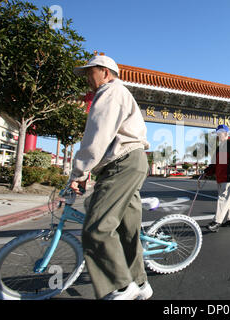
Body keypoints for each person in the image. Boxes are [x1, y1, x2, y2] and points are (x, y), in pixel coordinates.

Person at [69, 54, 152, 300]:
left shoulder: (109, 92)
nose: (87, 78)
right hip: (133, 161)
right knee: (127, 230)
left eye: (89, 72)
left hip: (122, 163)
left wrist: (79, 172)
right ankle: (139, 283)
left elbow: (96, 136)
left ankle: (120, 287)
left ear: (105, 72)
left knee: (97, 227)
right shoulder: (119, 93)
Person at [203, 124, 230, 232]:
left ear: (226, 134)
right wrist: (206, 172)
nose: (217, 136)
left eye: (219, 134)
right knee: (228, 200)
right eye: (217, 134)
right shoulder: (220, 147)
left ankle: (217, 221)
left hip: (229, 177)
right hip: (220, 178)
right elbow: (215, 164)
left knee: (223, 198)